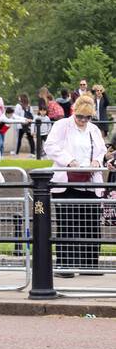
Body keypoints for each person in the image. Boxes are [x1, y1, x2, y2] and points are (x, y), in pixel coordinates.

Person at [43, 94, 105, 277]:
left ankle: (89, 265)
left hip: (89, 182)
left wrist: (96, 161)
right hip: (67, 181)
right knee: (68, 223)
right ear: (74, 112)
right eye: (80, 117)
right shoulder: (62, 125)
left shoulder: (93, 129)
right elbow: (51, 146)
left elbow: (100, 149)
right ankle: (65, 265)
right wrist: (69, 161)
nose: (83, 121)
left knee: (91, 224)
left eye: (87, 117)